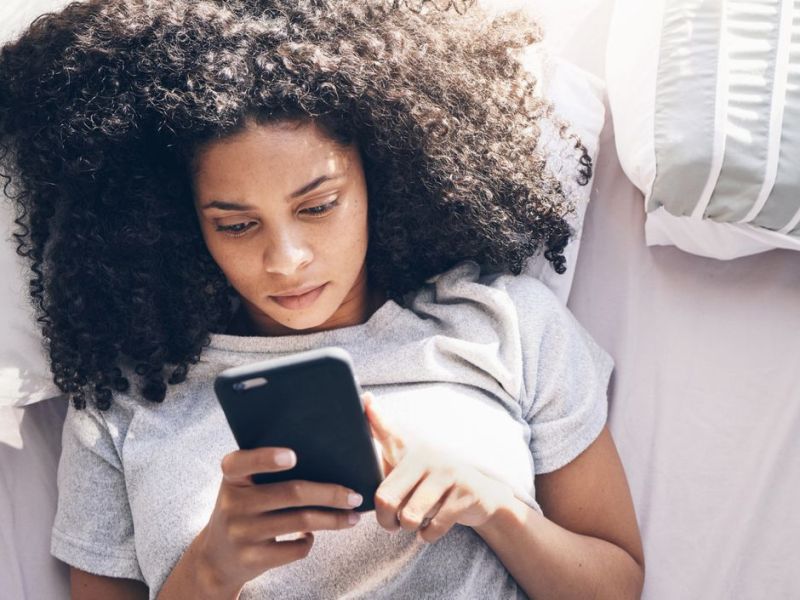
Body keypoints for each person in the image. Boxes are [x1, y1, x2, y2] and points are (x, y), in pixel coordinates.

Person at [0, 0, 644, 598]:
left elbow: (617, 585)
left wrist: (493, 507)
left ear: (383, 173)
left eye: (319, 206)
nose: (286, 261)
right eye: (236, 224)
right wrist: (210, 566)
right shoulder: (124, 402)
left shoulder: (506, 321)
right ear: (177, 222)